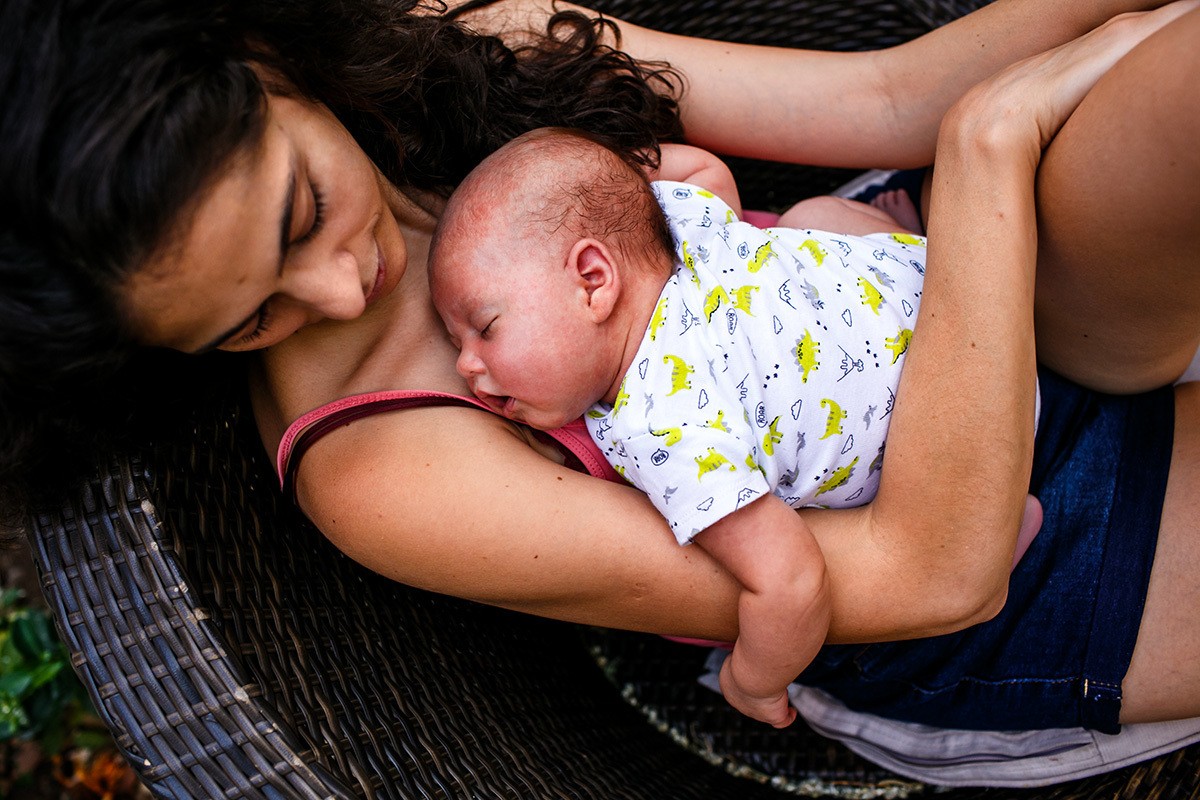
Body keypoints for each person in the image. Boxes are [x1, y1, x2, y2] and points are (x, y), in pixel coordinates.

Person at [2, 0, 1200, 777]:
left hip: (888, 291)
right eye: (243, 321)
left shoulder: (458, 51)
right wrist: (996, 143)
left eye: (303, 210)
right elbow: (936, 567)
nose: (339, 288)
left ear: (265, 60)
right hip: (993, 561)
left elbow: (884, 99)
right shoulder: (379, 469)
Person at [427, 128, 1045, 727]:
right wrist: (604, 187)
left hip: (957, 426)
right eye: (457, 341)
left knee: (806, 518)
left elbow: (793, 580)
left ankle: (999, 523)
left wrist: (752, 680)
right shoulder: (682, 221)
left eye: (485, 328)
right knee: (812, 216)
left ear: (593, 280)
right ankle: (888, 230)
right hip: (955, 290)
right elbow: (704, 169)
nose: (465, 365)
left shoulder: (665, 430)